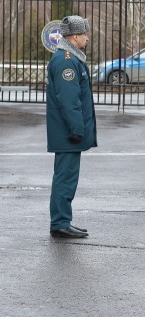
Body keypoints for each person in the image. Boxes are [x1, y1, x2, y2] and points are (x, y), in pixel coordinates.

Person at [46, 15, 96, 239]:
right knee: (65, 178)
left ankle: (63, 220)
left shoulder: (70, 58)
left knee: (66, 176)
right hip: (67, 133)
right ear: (74, 36)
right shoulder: (66, 60)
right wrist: (77, 129)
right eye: (84, 33)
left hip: (67, 131)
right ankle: (60, 223)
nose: (87, 37)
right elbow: (69, 100)